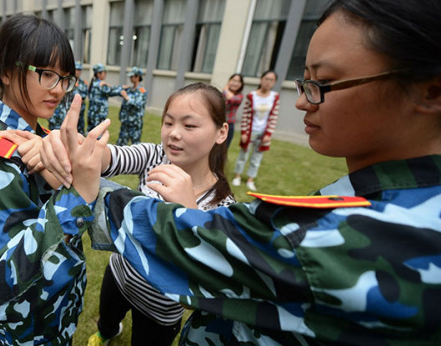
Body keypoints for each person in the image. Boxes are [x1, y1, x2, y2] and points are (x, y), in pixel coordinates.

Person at [40, 0, 441, 344]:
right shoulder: (378, 196)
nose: (303, 100)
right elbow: (117, 157)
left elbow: (190, 245)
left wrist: (178, 217)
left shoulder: (346, 231)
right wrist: (85, 156)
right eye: (169, 122)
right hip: (126, 277)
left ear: (430, 91)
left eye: (325, 82)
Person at [0, 14, 110, 345]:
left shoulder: (41, 134)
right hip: (30, 330)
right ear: (5, 71)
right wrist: (76, 198)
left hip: (56, 315)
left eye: (65, 78)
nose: (58, 89)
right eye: (46, 74)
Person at [82, 82, 234, 346]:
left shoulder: (223, 206)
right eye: (169, 122)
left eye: (189, 126)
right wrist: (88, 151)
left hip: (161, 309)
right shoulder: (155, 157)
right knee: (107, 321)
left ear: (221, 132)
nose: (174, 134)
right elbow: (113, 157)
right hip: (119, 274)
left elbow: (207, 282)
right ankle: (107, 332)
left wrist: (190, 215)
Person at [231, 70, 280, 191]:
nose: (268, 82)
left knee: (256, 158)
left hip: (263, 133)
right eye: (266, 79)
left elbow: (274, 116)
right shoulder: (252, 96)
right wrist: (244, 132)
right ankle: (237, 176)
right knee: (243, 155)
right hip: (250, 131)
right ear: (261, 79)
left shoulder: (275, 97)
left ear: (274, 82)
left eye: (271, 80)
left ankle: (250, 179)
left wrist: (268, 133)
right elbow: (245, 115)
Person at [48, 61, 88, 135]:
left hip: (79, 112)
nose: (78, 72)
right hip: (64, 111)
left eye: (80, 70)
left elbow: (84, 96)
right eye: (77, 69)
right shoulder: (66, 81)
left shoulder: (83, 83)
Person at [115, 66, 148, 146]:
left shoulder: (142, 91)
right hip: (126, 122)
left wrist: (127, 97)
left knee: (136, 146)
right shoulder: (129, 89)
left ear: (137, 77)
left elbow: (138, 104)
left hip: (135, 123)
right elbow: (116, 91)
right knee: (120, 145)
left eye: (132, 76)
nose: (130, 78)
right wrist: (122, 87)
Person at [87, 63, 118, 132]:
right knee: (98, 135)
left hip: (92, 113)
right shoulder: (101, 85)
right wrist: (122, 89)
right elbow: (113, 92)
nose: (105, 74)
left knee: (90, 132)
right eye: (104, 72)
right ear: (98, 74)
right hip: (99, 114)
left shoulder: (93, 83)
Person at [222, 73, 244, 148]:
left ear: (241, 84)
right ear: (229, 81)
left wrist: (225, 89)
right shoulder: (222, 94)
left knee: (223, 149)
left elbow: (232, 99)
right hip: (218, 123)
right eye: (234, 80)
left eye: (238, 81)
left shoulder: (239, 96)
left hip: (229, 126)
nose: (235, 83)